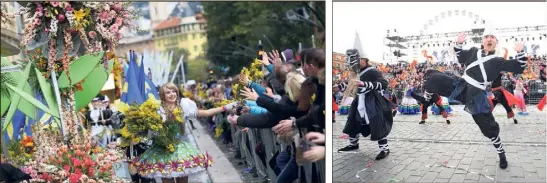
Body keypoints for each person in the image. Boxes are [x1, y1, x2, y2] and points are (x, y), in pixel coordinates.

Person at [422, 31, 527, 169]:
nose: (489, 39)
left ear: (496, 42)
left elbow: (519, 67)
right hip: (461, 86)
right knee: (434, 77)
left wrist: (520, 52)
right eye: (486, 37)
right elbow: (460, 58)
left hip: (477, 94)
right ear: (483, 40)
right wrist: (459, 43)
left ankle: (501, 153)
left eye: (492, 37)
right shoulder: (473, 51)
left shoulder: (498, 61)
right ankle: (427, 98)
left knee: (488, 127)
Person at [131, 83, 235, 183]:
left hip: (179, 151)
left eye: (174, 91)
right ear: (162, 95)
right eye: (168, 92)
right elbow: (147, 129)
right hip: (161, 152)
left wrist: (226, 107)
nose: (172, 94)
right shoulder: (156, 110)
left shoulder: (183, 106)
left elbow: (206, 112)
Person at [337, 49, 393, 161]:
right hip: (359, 100)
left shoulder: (373, 71)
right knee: (353, 121)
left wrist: (365, 84)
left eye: (358, 59)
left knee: (377, 123)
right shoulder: (355, 71)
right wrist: (338, 87)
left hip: (371, 100)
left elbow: (384, 84)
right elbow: (350, 83)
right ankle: (354, 144)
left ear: (363, 60)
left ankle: (384, 149)